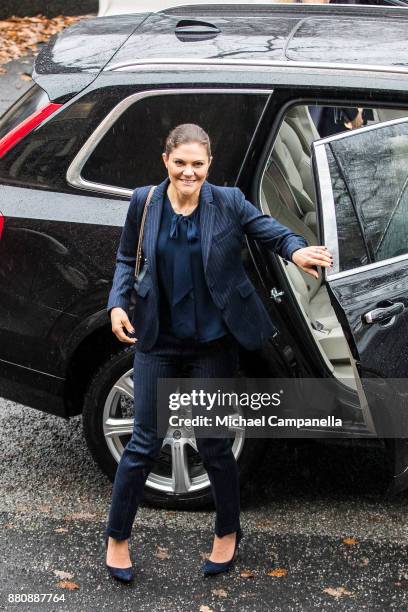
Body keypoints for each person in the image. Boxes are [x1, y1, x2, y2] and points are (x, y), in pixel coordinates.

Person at [104, 123, 333, 583]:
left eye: (198, 164)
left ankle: (228, 532)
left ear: (209, 165)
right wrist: (116, 303)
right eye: (180, 163)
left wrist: (297, 251)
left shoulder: (227, 202)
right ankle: (117, 538)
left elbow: (269, 231)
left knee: (212, 444)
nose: (189, 172)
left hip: (212, 343)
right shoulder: (143, 202)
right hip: (157, 341)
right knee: (143, 444)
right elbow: (127, 258)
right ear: (165, 161)